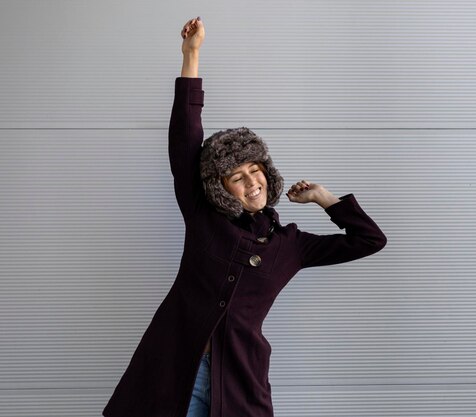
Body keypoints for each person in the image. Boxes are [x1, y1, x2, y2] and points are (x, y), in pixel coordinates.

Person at [102, 17, 386, 417]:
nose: (251, 182)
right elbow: (185, 139)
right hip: (173, 370)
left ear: (267, 174)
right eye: (236, 176)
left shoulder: (292, 245)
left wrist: (325, 198)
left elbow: (369, 240)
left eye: (255, 171)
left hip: (237, 381)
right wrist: (192, 55)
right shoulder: (204, 216)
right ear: (221, 188)